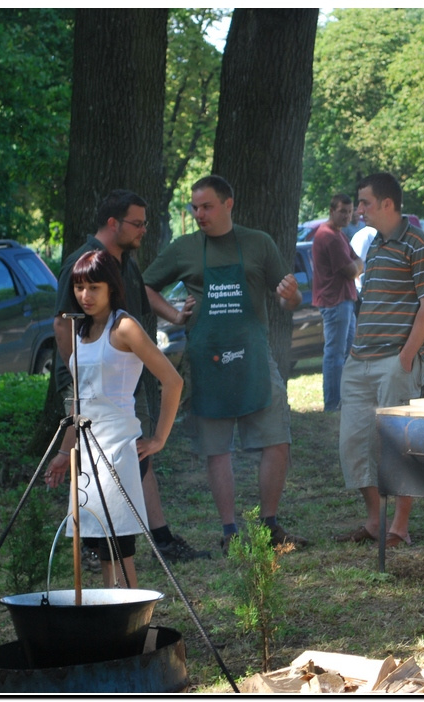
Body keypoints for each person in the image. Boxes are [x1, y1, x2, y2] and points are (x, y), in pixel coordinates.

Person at [142, 175, 306, 555]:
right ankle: (231, 531)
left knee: (277, 440)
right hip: (207, 357)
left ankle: (269, 526)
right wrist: (174, 316)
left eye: (207, 206)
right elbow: (145, 285)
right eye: (195, 208)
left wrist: (292, 297)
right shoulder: (184, 249)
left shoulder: (258, 243)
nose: (199, 214)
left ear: (228, 204)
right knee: (217, 449)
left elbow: (288, 300)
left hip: (254, 354)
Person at [52, 190, 206, 563]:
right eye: (136, 223)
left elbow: (143, 297)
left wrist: (175, 316)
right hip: (96, 380)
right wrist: (85, 367)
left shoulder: (126, 261)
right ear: (112, 223)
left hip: (126, 374)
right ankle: (98, 544)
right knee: (102, 465)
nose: (143, 230)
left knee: (137, 457)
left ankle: (152, 538)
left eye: (144, 223)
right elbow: (62, 323)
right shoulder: (86, 263)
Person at [45, 250, 184, 588]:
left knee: (120, 549)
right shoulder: (82, 332)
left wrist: (159, 438)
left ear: (111, 287)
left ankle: (133, 629)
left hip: (120, 449)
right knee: (102, 548)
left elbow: (172, 380)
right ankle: (113, 625)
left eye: (94, 287)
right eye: (79, 287)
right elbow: (80, 402)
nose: (85, 295)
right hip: (88, 455)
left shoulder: (124, 327)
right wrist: (65, 453)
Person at [335, 172, 424, 548]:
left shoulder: (420, 243)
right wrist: (354, 350)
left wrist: (406, 357)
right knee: (354, 444)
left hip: (395, 362)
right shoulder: (376, 246)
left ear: (387, 204)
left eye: (364, 202)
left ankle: (400, 525)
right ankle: (375, 522)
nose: (358, 210)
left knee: (398, 444)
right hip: (360, 361)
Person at [312, 193, 363, 412]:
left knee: (346, 352)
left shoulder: (338, 234)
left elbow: (356, 260)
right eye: (342, 211)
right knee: (334, 354)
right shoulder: (329, 236)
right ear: (332, 210)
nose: (346, 216)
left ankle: (342, 400)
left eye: (350, 211)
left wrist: (357, 263)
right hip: (335, 301)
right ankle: (332, 403)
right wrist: (358, 265)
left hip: (345, 300)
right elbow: (353, 269)